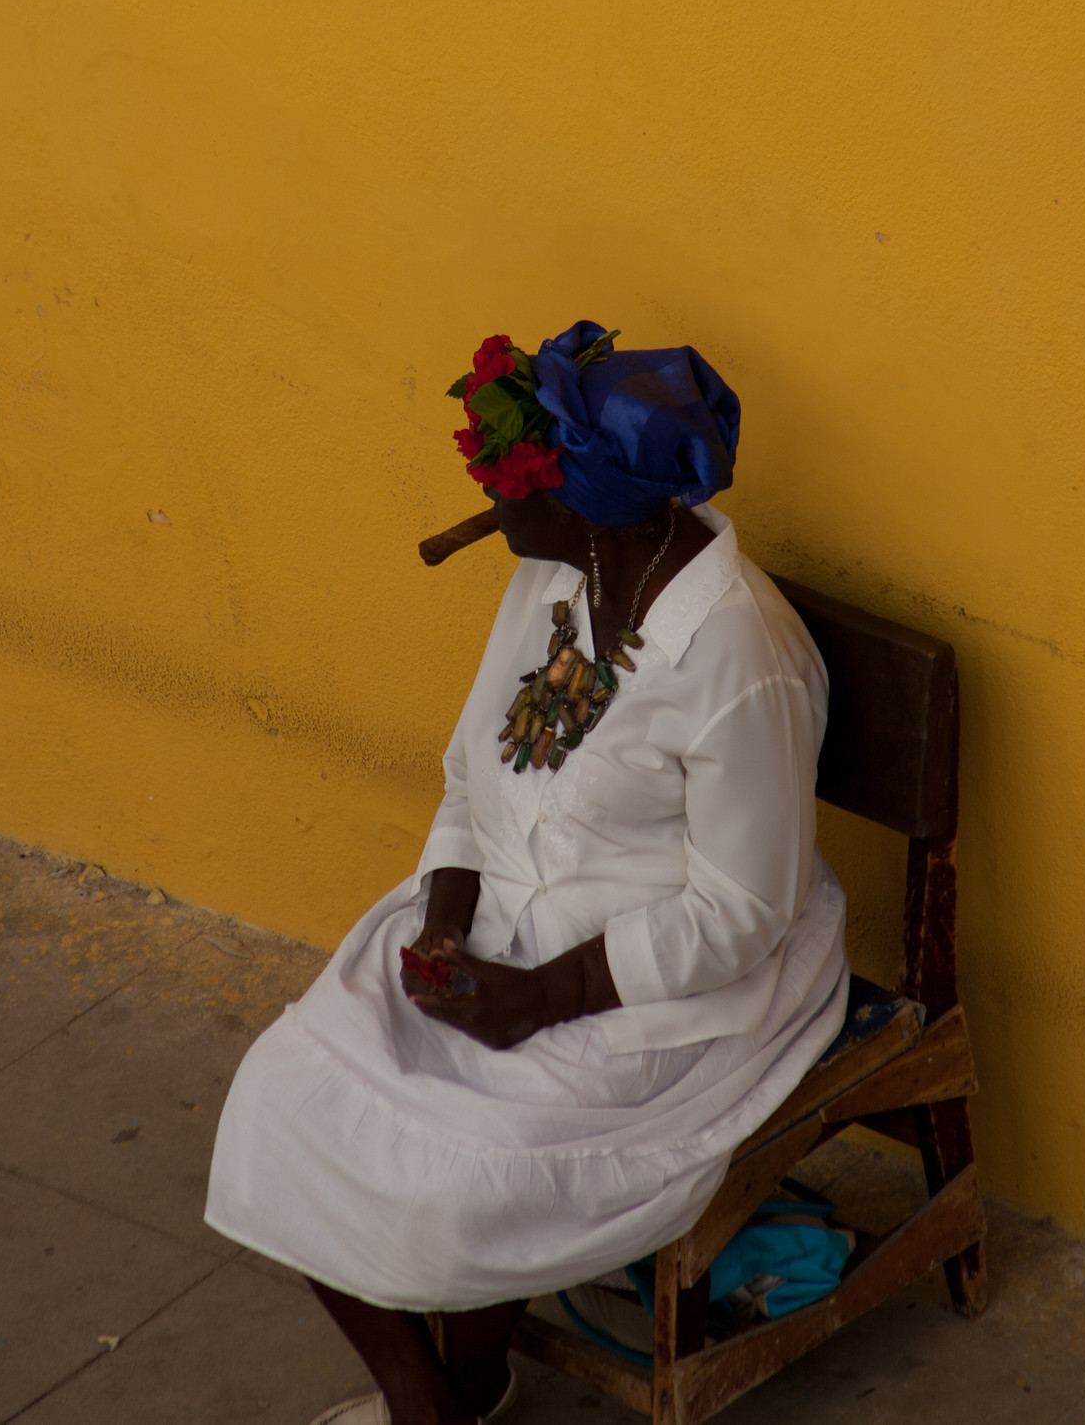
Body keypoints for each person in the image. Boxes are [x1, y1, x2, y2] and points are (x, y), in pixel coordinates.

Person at [206, 321, 848, 1425]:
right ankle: (437, 1399)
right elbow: (469, 779)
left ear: (593, 502)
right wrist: (445, 930)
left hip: (665, 991)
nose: (493, 500)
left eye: (516, 482)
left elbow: (743, 910)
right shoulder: (559, 583)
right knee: (283, 1099)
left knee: (466, 1176)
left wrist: (544, 998)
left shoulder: (742, 659)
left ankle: (440, 1401)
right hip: (496, 927)